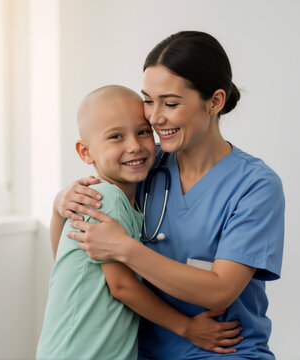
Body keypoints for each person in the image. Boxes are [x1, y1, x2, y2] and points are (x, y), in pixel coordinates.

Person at [54, 31, 285, 359]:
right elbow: (80, 257)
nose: (154, 116)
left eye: (171, 103)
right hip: (142, 352)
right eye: (148, 100)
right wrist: (58, 204)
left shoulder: (255, 185)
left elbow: (219, 291)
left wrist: (125, 248)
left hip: (223, 350)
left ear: (215, 102)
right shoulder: (142, 162)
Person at [37, 85, 243, 360]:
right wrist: (188, 328)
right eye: (115, 136)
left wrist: (57, 211)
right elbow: (122, 287)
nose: (134, 146)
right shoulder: (106, 200)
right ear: (86, 152)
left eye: (143, 132)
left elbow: (63, 260)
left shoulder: (117, 199)